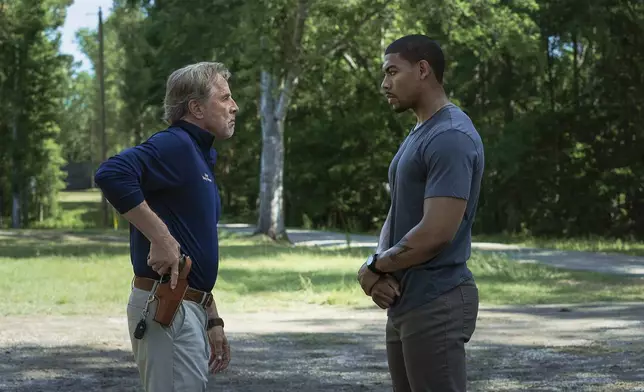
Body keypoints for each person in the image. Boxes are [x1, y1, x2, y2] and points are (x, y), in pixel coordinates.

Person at [94, 61, 239, 392]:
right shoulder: (175, 144)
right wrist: (160, 238)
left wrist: (211, 315)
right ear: (196, 108)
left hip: (188, 307)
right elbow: (111, 174)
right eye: (225, 97)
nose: (234, 106)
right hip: (168, 308)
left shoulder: (198, 156)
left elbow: (193, 244)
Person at [357, 35, 484, 392]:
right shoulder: (420, 131)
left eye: (392, 72)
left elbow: (436, 232)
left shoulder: (451, 135)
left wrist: (375, 267)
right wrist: (376, 270)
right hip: (406, 300)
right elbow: (398, 212)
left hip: (436, 299)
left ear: (423, 69)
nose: (385, 84)